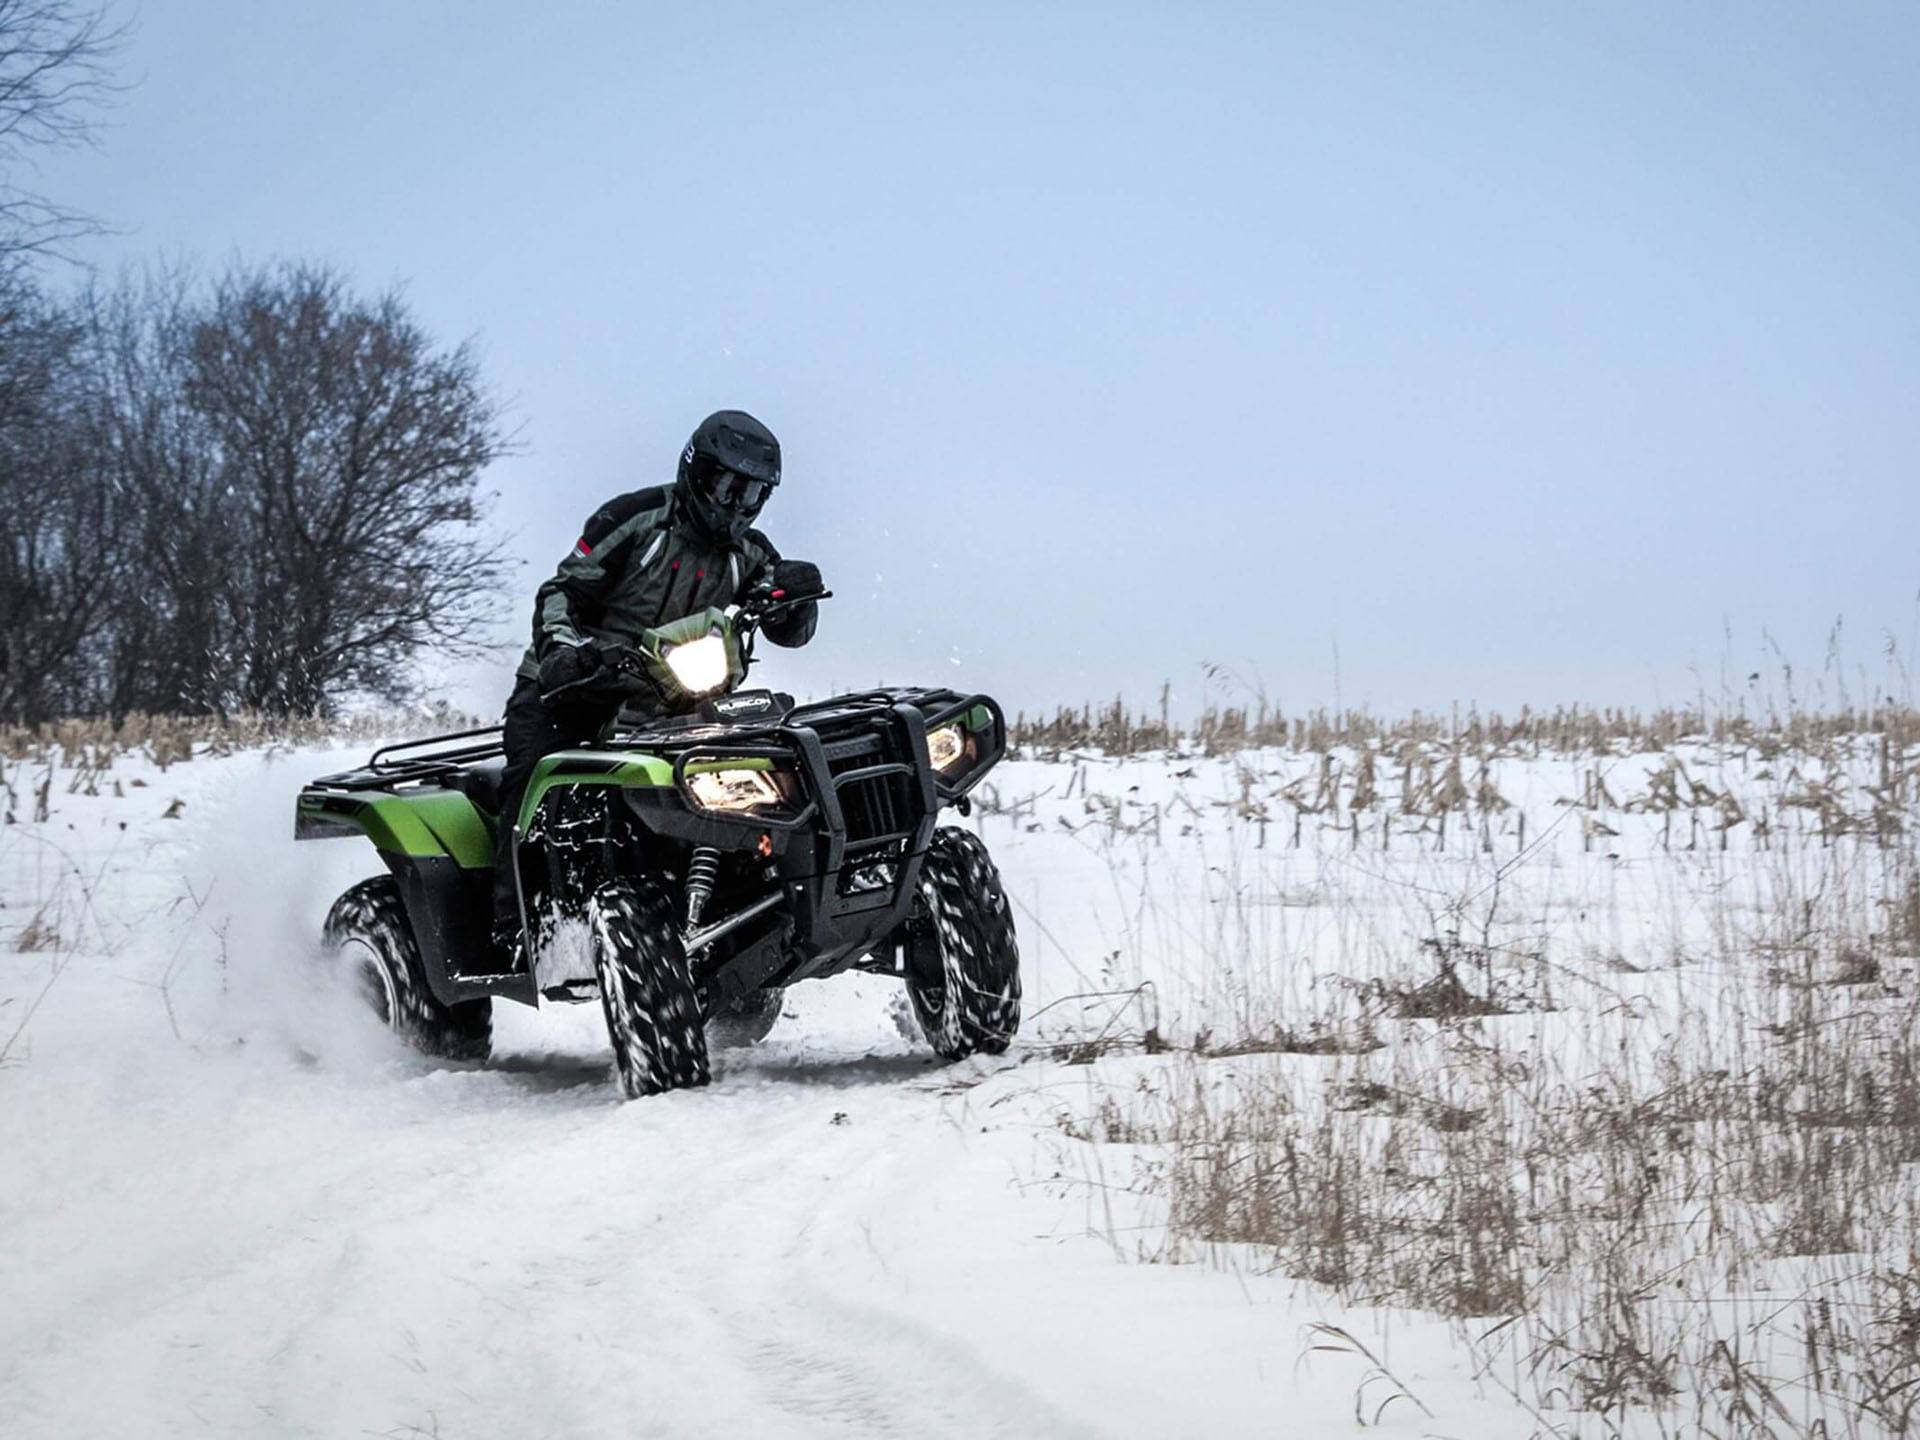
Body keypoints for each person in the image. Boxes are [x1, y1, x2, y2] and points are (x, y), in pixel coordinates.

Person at [489, 409, 821, 961]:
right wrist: (564, 651)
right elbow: (562, 591)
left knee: (752, 787)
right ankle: (515, 928)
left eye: (752, 492)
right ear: (695, 471)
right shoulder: (636, 519)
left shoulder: (749, 552)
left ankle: (741, 915)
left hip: (681, 700)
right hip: (575, 689)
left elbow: (790, 623)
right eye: (727, 485)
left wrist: (795, 598)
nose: (736, 502)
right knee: (531, 781)